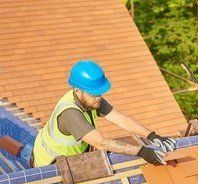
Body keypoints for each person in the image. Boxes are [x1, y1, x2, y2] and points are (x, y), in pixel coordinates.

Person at [32, 60, 176, 167]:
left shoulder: (91, 99)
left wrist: (152, 136)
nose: (98, 97)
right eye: (93, 94)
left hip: (71, 156)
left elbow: (120, 119)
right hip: (49, 164)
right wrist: (143, 152)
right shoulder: (70, 114)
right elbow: (101, 143)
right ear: (77, 90)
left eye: (99, 93)